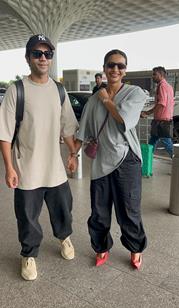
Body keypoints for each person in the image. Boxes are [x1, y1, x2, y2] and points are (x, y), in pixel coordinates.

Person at [0, 34, 79, 281]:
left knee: (63, 210)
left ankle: (64, 238)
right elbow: (4, 132)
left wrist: (73, 153)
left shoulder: (59, 89)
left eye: (47, 54)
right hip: (27, 171)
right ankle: (29, 254)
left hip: (55, 168)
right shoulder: (17, 90)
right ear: (28, 58)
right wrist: (9, 167)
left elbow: (67, 127)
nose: (43, 58)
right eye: (37, 53)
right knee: (27, 218)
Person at [75, 49, 147, 269]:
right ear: (104, 68)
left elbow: (123, 119)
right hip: (101, 161)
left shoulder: (136, 93)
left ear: (125, 71)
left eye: (120, 66)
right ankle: (101, 247)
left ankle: (135, 248)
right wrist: (72, 154)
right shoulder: (94, 99)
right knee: (99, 210)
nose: (115, 69)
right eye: (111, 65)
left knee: (129, 209)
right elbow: (83, 130)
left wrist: (106, 100)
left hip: (127, 159)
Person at [141, 66, 174, 158]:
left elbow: (161, 103)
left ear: (161, 75)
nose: (153, 76)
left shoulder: (162, 86)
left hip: (162, 121)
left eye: (154, 74)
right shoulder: (169, 86)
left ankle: (176, 159)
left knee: (167, 143)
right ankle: (147, 161)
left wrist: (147, 112)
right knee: (153, 141)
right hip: (162, 120)